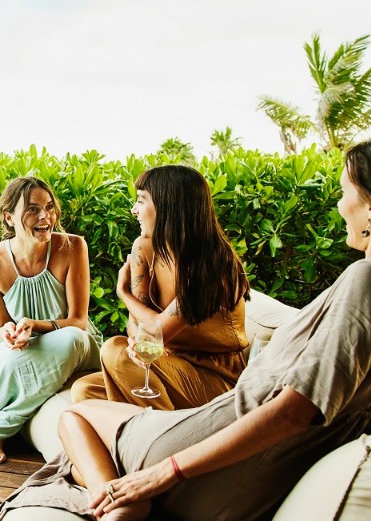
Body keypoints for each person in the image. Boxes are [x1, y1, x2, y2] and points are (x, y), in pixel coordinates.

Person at [58, 128, 371, 521]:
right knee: (95, 395)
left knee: (75, 417)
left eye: (344, 193)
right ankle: (118, 485)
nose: (340, 206)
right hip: (263, 479)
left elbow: (291, 412)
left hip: (218, 472)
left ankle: (114, 498)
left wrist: (161, 474)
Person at [70, 164, 250, 409]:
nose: (134, 210)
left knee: (115, 350)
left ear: (169, 207)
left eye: (141, 201)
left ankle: (159, 435)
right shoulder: (145, 249)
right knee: (85, 389)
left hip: (215, 377)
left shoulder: (212, 265)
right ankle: (140, 430)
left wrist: (123, 293)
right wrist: (143, 342)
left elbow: (157, 331)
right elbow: (138, 330)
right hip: (165, 363)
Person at [0, 176, 101, 467]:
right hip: (26, 345)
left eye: (49, 207)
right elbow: (2, 324)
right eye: (33, 209)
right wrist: (10, 332)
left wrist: (36, 324)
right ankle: (8, 421)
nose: (45, 216)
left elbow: (79, 321)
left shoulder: (72, 247)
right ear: (8, 217)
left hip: (74, 340)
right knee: (3, 359)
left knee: (71, 340)